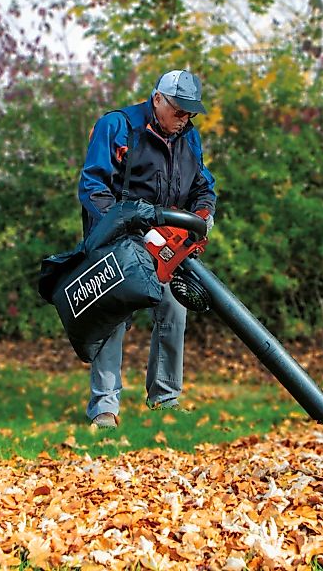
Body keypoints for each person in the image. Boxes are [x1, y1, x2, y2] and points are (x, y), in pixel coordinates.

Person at [78, 69, 216, 429]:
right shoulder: (118, 126)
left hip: (167, 243)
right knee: (113, 319)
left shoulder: (189, 138)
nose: (184, 119)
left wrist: (203, 216)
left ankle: (165, 400)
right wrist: (132, 225)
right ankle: (105, 408)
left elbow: (203, 184)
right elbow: (93, 188)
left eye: (190, 113)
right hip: (119, 241)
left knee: (174, 311)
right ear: (158, 100)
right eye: (178, 111)